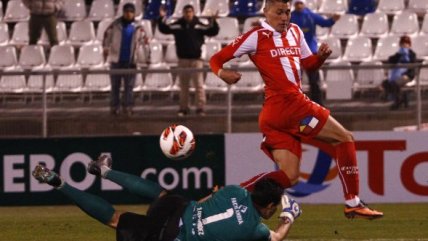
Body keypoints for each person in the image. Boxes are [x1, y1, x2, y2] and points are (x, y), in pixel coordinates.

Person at [210, 0, 383, 219]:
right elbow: (216, 59)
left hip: (275, 115)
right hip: (290, 105)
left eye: (287, 12)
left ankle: (229, 194)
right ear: (266, 12)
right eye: (279, 12)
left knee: (290, 177)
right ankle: (353, 202)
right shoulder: (256, 36)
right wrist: (222, 73)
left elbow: (308, 64)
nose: (284, 17)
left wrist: (320, 57)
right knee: (344, 138)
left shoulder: (295, 31)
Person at [32, 154, 302, 241]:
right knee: (116, 219)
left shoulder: (237, 190)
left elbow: (209, 199)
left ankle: (103, 170)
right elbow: (276, 238)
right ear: (268, 207)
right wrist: (288, 216)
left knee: (163, 195)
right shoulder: (255, 229)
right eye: (274, 207)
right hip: (172, 234)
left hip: (180, 210)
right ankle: (58, 182)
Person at [157, 4, 219, 116]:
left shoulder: (198, 25)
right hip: (183, 60)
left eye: (190, 12)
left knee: (198, 85)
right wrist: (162, 18)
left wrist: (213, 21)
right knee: (183, 86)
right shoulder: (178, 25)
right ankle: (183, 108)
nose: (188, 14)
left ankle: (200, 108)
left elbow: (212, 31)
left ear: (193, 13)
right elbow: (164, 29)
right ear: (183, 13)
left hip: (196, 60)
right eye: (186, 12)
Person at [290, 0, 340, 105]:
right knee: (294, 82)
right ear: (294, 5)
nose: (299, 5)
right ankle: (295, 104)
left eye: (300, 3)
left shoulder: (310, 15)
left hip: (310, 52)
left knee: (314, 80)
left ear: (303, 4)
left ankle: (318, 104)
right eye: (297, 3)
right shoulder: (290, 16)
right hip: (295, 52)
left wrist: (332, 20)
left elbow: (324, 23)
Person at [103, 3, 148, 116]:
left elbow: (145, 43)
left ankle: (128, 107)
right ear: (123, 12)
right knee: (115, 86)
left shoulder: (138, 27)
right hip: (116, 61)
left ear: (134, 13)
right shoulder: (115, 25)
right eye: (126, 11)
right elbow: (106, 37)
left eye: (131, 12)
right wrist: (106, 49)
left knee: (129, 87)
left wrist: (147, 58)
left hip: (131, 61)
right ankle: (114, 107)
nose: (128, 14)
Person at [383, 35, 416, 110]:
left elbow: (413, 69)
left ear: (409, 45)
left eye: (406, 43)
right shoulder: (398, 54)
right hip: (397, 75)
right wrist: (399, 55)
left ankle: (397, 101)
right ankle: (402, 98)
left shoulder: (412, 55)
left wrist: (406, 75)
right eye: (403, 43)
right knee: (385, 83)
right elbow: (390, 61)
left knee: (395, 83)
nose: (404, 45)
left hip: (407, 76)